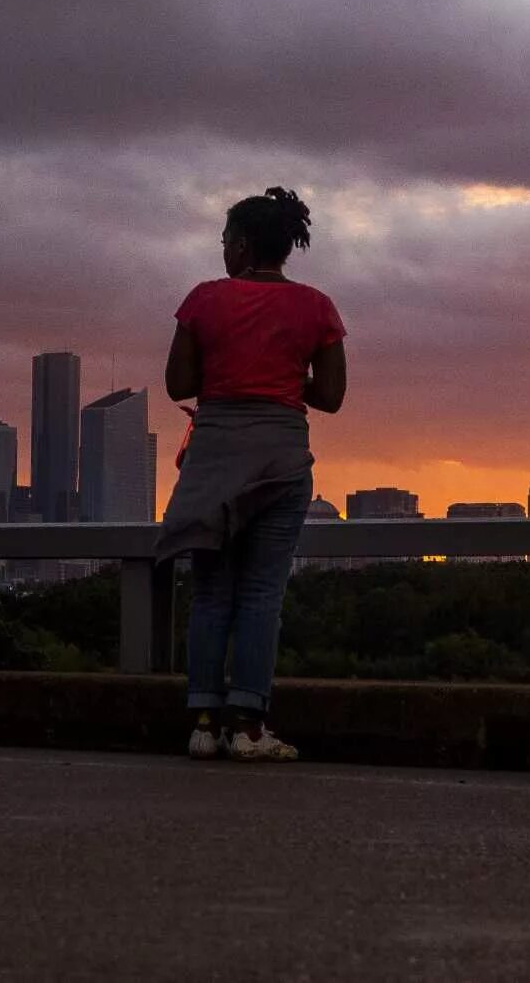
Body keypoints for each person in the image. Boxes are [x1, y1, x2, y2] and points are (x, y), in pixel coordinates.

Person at [156, 187, 347, 761]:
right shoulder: (317, 306)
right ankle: (249, 727)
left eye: (224, 241)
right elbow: (332, 397)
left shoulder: (203, 301)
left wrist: (228, 374)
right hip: (281, 458)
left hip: (215, 456)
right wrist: (287, 381)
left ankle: (203, 724)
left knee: (212, 593)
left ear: (239, 245)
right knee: (263, 593)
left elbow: (178, 384)